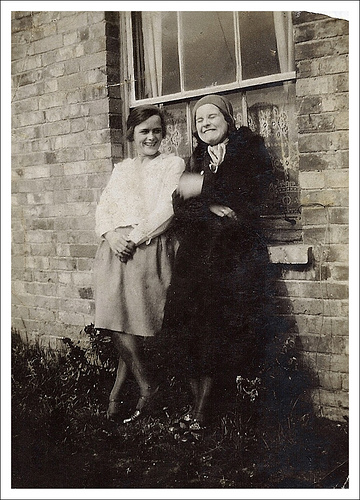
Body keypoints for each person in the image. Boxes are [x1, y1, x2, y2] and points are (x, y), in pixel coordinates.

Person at [162, 94, 275, 430]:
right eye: (199, 120)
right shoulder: (197, 159)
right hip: (196, 260)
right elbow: (179, 207)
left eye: (212, 117)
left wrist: (204, 193)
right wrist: (210, 206)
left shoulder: (250, 151)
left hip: (234, 257)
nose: (205, 124)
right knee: (186, 325)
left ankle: (202, 413)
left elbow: (248, 200)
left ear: (228, 120)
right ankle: (194, 407)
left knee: (216, 327)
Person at [94, 105, 185, 424]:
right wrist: (110, 234)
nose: (151, 137)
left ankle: (120, 395)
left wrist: (133, 236)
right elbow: (104, 206)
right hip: (115, 250)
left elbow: (166, 209)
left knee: (134, 323)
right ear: (131, 134)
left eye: (157, 131)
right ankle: (145, 388)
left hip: (147, 248)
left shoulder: (172, 164)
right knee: (114, 321)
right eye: (144, 131)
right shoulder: (122, 169)